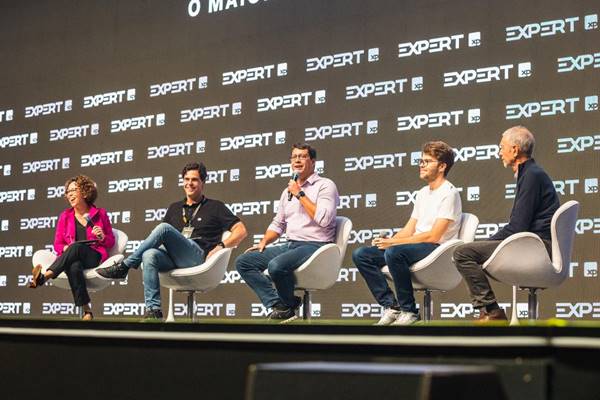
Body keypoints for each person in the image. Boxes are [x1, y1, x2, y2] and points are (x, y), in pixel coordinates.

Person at [96, 162, 248, 320]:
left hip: (197, 257)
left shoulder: (215, 207)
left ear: (203, 182)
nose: (189, 183)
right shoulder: (174, 208)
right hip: (173, 258)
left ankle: (125, 266)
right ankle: (154, 310)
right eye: (186, 179)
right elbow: (163, 240)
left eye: (194, 180)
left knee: (163, 228)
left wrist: (221, 246)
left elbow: (241, 230)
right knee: (149, 254)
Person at [453, 126, 560, 322]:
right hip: (532, 244)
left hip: (537, 247)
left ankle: (491, 310)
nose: (499, 151)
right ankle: (489, 311)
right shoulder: (529, 174)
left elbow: (517, 227)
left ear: (515, 149)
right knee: (469, 251)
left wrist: (489, 242)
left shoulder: (531, 176)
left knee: (463, 253)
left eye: (502, 147)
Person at [352, 141, 462, 325]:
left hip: (437, 250)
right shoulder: (422, 193)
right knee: (362, 255)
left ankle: (409, 311)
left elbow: (433, 236)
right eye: (421, 161)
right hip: (416, 246)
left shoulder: (449, 193)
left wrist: (393, 245)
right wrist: (387, 241)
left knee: (395, 252)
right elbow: (410, 229)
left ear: (442, 166)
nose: (421, 164)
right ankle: (391, 306)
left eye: (427, 161)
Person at [235, 143, 339, 323]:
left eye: (302, 156)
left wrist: (300, 194)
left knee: (276, 266)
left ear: (313, 162)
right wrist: (264, 241)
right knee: (244, 262)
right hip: (291, 244)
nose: (297, 160)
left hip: (316, 245)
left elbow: (324, 219)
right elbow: (278, 223)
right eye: (294, 157)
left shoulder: (325, 186)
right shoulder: (287, 191)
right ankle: (279, 305)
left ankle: (288, 305)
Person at [29, 175, 115, 321]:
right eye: (67, 192)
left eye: (73, 190)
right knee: (74, 266)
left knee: (76, 248)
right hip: (72, 256)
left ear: (85, 192)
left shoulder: (100, 214)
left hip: (94, 255)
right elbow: (58, 244)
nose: (69, 194)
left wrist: (102, 237)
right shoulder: (65, 216)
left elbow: (111, 242)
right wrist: (64, 249)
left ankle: (45, 276)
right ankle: (87, 311)